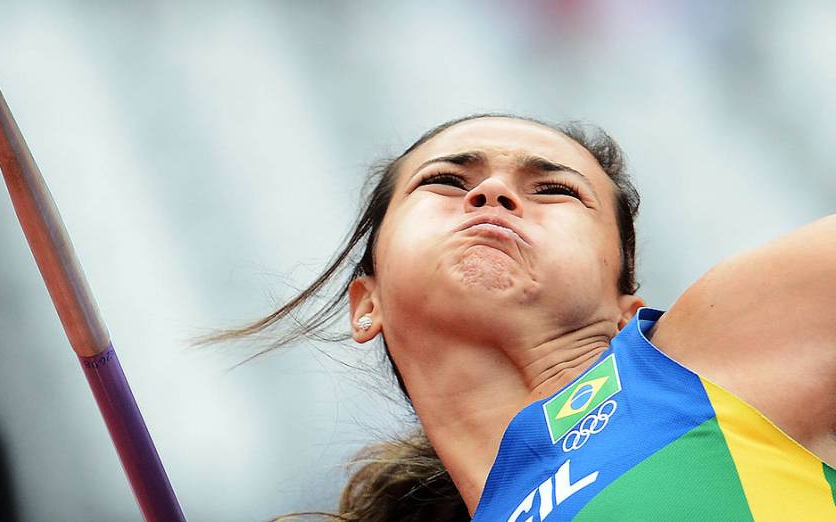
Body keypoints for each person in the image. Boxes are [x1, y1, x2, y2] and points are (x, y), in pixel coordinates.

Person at [211, 114, 836, 520]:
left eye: (554, 191)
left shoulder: (710, 363)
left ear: (625, 311)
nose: (492, 194)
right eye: (448, 181)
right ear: (366, 303)